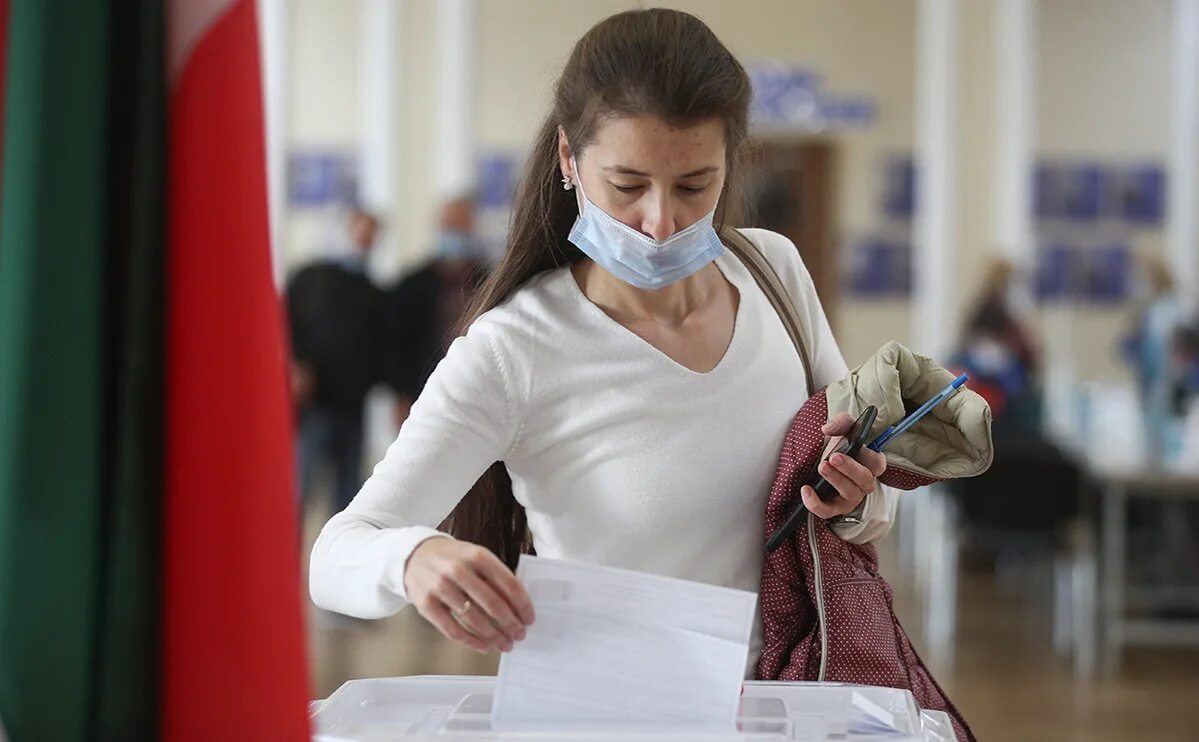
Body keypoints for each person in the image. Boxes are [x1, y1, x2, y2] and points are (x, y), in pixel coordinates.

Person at [310, 9, 894, 673]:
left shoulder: (774, 272)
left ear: (730, 164)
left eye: (694, 185)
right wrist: (412, 558)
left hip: (780, 698)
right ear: (568, 157)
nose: (659, 221)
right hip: (603, 708)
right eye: (627, 185)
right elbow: (335, 554)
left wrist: (855, 497)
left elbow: (864, 499)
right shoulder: (515, 347)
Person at [287, 208, 385, 514]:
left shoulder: (376, 294)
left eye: (371, 233)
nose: (363, 238)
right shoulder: (311, 278)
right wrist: (297, 365)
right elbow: (286, 323)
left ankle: (333, 563)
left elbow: (379, 349)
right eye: (360, 229)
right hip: (314, 407)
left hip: (353, 410)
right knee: (297, 492)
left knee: (347, 502)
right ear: (348, 230)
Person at [383, 196, 489, 429]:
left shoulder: (491, 280)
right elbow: (397, 342)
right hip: (422, 390)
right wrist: (400, 394)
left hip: (479, 392)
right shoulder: (412, 284)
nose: (455, 233)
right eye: (449, 226)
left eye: (460, 227)